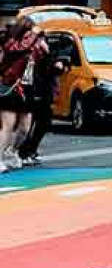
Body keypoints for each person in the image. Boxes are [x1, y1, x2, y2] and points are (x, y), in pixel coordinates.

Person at [0, 17, 47, 170]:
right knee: (8, 125)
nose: (31, 38)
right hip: (11, 86)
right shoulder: (11, 43)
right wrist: (32, 36)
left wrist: (42, 48)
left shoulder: (34, 46)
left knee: (25, 127)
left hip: (28, 88)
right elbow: (17, 50)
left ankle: (12, 151)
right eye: (28, 34)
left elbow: (43, 62)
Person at [16, 35, 69, 166]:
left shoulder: (46, 53)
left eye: (42, 40)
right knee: (26, 124)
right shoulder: (29, 52)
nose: (41, 43)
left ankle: (31, 150)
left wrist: (58, 62)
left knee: (43, 122)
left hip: (44, 92)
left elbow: (57, 69)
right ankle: (22, 152)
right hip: (30, 91)